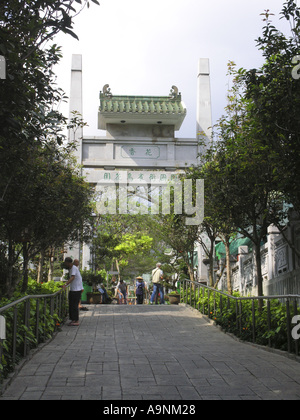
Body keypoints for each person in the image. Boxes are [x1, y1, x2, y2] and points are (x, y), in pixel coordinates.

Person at [62, 257, 83, 326]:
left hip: (76, 290)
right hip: (73, 289)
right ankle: (73, 319)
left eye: (66, 263)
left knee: (74, 305)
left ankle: (76, 320)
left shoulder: (73, 268)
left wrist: (65, 284)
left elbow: (72, 277)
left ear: (68, 263)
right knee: (71, 305)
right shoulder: (71, 269)